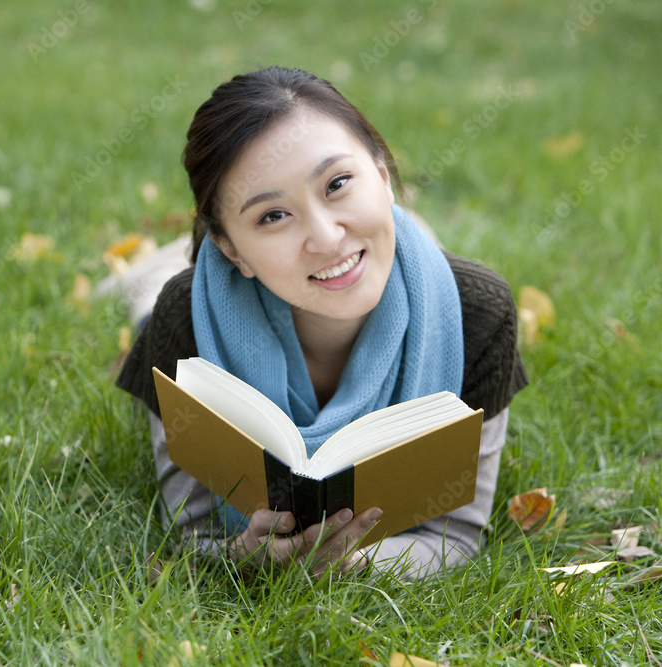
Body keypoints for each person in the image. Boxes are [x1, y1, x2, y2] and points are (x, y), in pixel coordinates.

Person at [115, 67, 527, 579]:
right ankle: (148, 272)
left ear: (382, 171)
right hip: (197, 292)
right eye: (273, 216)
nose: (326, 236)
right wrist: (248, 557)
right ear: (231, 249)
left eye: (337, 184)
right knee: (152, 297)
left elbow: (458, 535)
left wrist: (351, 564)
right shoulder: (184, 321)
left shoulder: (477, 313)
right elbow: (192, 534)